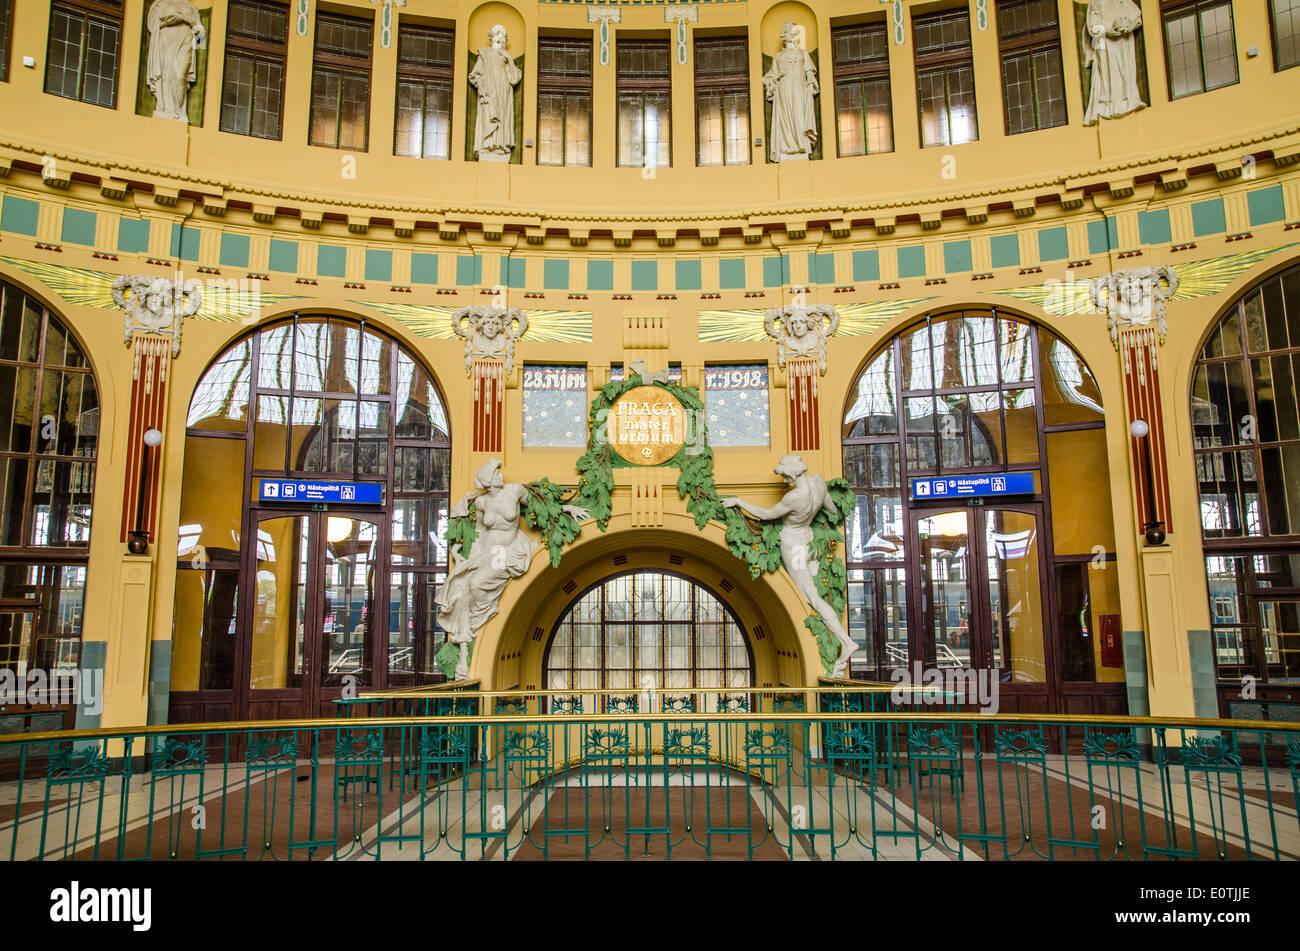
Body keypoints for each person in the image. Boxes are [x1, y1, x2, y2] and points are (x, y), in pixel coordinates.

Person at [436, 459, 586, 679]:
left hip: (508, 552)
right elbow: (477, 531)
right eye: (495, 472)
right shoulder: (481, 503)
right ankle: (466, 641)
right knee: (465, 586)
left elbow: (539, 508)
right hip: (486, 552)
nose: (499, 475)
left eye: (498, 471)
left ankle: (478, 621)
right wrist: (462, 552)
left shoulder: (514, 491)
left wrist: (566, 508)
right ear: (488, 480)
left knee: (476, 584)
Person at [723, 454, 857, 676]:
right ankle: (840, 640)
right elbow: (833, 511)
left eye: (785, 476)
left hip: (794, 546)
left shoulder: (794, 498)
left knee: (810, 596)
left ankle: (845, 641)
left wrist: (738, 501)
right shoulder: (818, 482)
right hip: (811, 541)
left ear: (793, 473)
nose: (785, 480)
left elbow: (766, 515)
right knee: (818, 593)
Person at [1082, 0, 1146, 125]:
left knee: (1125, 68)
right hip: (1106, 42)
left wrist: (1128, 25)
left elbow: (1136, 16)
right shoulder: (1095, 3)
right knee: (1109, 72)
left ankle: (1128, 99)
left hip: (1124, 40)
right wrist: (1109, 30)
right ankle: (1110, 103)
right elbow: (1093, 27)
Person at [763, 21, 819, 162]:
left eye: (795, 32)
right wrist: (778, 75)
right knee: (786, 116)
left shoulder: (802, 53)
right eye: (790, 31)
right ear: (784, 35)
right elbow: (768, 78)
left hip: (799, 88)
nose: (793, 34)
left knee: (799, 114)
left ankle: (801, 145)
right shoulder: (778, 57)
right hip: (784, 89)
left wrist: (810, 84)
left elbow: (809, 72)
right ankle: (787, 146)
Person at [469, 25, 522, 161]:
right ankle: (487, 145)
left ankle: (500, 146)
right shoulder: (484, 53)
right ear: (493, 37)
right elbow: (473, 75)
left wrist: (509, 59)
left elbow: (514, 78)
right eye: (499, 35)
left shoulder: (507, 56)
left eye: (504, 36)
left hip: (504, 91)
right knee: (488, 115)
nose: (502, 39)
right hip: (489, 91)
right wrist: (482, 84)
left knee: (502, 116)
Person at [147, 0, 204, 122]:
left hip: (185, 40)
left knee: (179, 75)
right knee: (166, 74)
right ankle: (165, 110)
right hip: (166, 40)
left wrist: (189, 20)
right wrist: (167, 21)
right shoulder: (160, 3)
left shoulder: (190, 7)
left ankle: (177, 112)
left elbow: (200, 35)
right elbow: (152, 26)